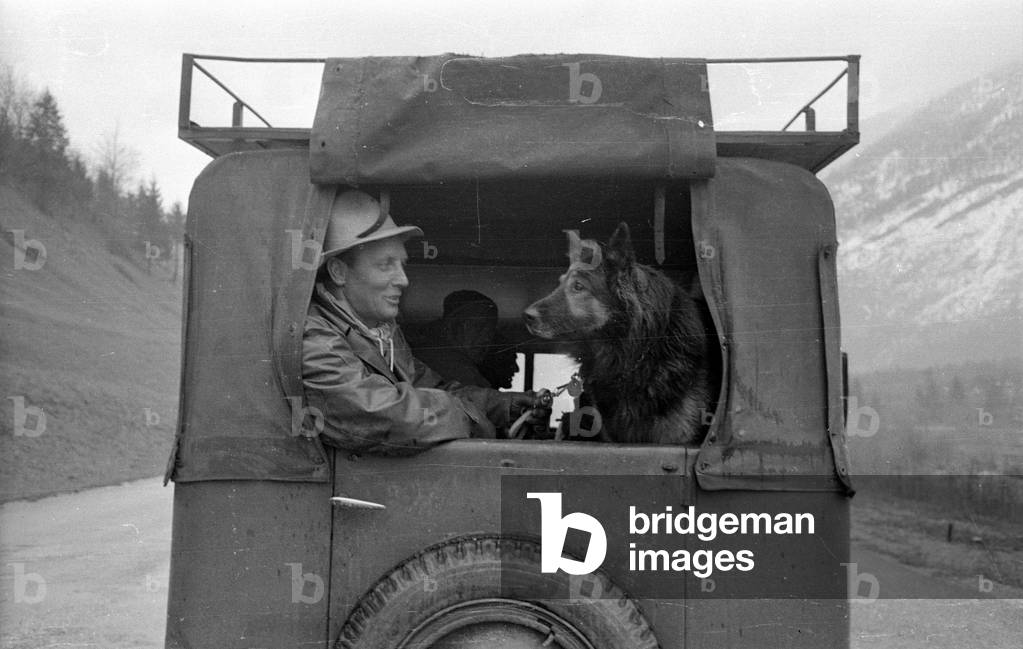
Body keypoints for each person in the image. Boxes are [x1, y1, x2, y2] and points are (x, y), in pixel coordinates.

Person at [301, 189, 538, 455]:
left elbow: (433, 387)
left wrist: (502, 405)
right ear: (339, 271)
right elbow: (381, 415)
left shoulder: (382, 334)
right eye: (386, 265)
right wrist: (469, 417)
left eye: (402, 264)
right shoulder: (313, 338)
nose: (403, 279)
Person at [414, 290, 500, 388]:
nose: (487, 337)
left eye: (491, 329)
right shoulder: (450, 366)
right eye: (479, 326)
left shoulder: (462, 365)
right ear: (452, 326)